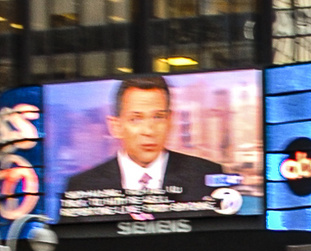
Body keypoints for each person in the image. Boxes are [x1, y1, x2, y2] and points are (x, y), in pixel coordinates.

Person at [65, 75, 222, 202]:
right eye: (136, 119)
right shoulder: (81, 187)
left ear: (170, 121)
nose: (148, 131)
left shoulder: (206, 176)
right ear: (116, 126)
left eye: (158, 117)